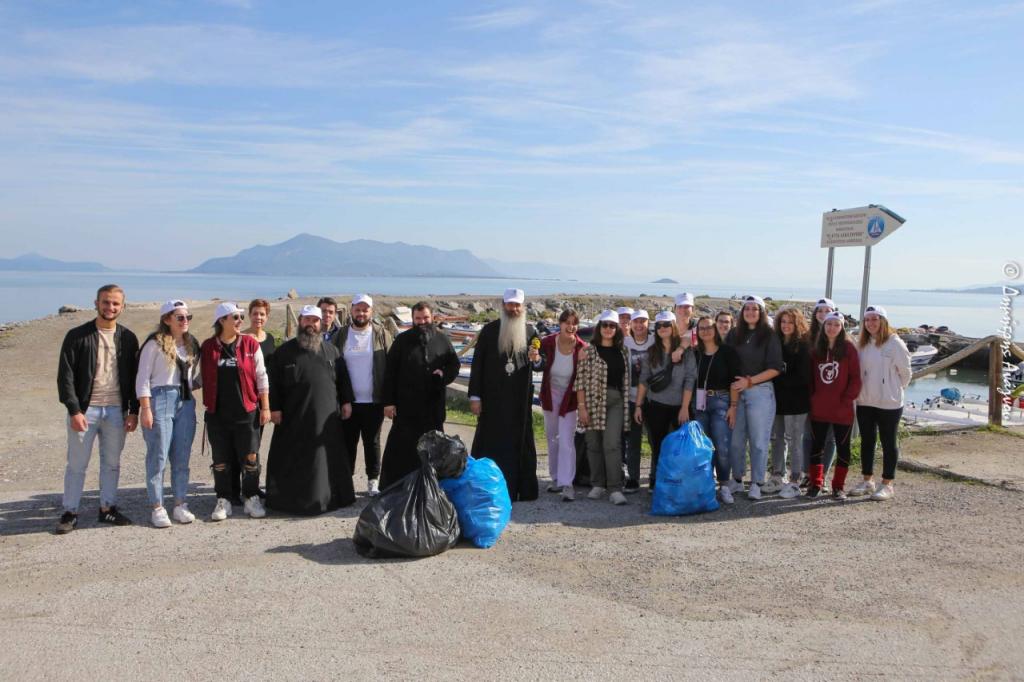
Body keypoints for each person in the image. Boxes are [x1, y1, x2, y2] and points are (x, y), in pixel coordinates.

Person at [55, 284, 140, 533]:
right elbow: (65, 376)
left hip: (116, 410)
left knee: (111, 463)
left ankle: (107, 509)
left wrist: (133, 410)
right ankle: (70, 512)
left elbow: (135, 378)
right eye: (105, 302)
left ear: (122, 307)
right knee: (76, 465)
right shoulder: (77, 336)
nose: (110, 307)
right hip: (85, 411)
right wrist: (74, 410)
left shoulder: (128, 338)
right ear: (96, 303)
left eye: (115, 303)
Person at [266, 305, 356, 515]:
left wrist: (346, 402)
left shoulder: (332, 351)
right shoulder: (284, 352)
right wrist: (275, 408)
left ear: (320, 324)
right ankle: (287, 500)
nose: (311, 325)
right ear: (300, 322)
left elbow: (342, 380)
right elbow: (273, 383)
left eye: (315, 321)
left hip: (326, 417)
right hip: (293, 417)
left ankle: (330, 498)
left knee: (325, 458)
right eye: (307, 320)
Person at [468, 288, 545, 502]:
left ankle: (520, 489)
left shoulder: (530, 332)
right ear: (503, 306)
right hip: (492, 401)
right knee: (491, 444)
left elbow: (541, 364)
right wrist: (475, 396)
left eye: (517, 305)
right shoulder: (489, 331)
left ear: (523, 307)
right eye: (510, 305)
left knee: (519, 444)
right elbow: (478, 365)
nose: (514, 309)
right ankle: (488, 488)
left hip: (519, 402)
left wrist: (537, 359)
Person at [200, 302, 270, 521]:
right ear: (222, 321)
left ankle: (251, 497)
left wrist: (265, 406)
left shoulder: (250, 344)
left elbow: (262, 376)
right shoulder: (209, 346)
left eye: (241, 317)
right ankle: (224, 499)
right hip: (217, 413)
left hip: (247, 411)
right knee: (221, 459)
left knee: (250, 457)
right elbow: (196, 375)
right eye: (236, 317)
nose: (241, 321)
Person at [380, 301, 459, 487]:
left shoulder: (442, 340)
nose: (422, 322)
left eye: (425, 318)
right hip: (406, 406)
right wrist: (388, 402)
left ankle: (431, 486)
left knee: (434, 447)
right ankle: (396, 485)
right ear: (413, 320)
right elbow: (390, 372)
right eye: (418, 319)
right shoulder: (402, 341)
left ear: (432, 318)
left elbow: (453, 364)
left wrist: (444, 374)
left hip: (433, 406)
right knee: (402, 448)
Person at [136, 300, 201, 528]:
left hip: (185, 400)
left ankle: (180, 503)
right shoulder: (153, 345)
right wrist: (145, 409)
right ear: (167, 320)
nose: (185, 321)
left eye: (187, 317)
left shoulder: (192, 344)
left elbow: (194, 376)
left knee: (181, 455)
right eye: (180, 317)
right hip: (160, 399)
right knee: (159, 455)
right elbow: (142, 379)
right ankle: (157, 506)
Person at [333, 294, 393, 496]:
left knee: (373, 442)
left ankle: (372, 480)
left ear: (371, 312)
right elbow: (332, 366)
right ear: (351, 311)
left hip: (374, 401)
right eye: (357, 309)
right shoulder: (341, 335)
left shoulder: (381, 334)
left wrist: (389, 400)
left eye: (365, 309)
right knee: (347, 442)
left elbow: (392, 367)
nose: (361, 313)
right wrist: (341, 398)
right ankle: (345, 480)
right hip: (348, 401)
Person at [850, 305, 912, 501]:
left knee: (888, 442)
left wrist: (893, 389)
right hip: (866, 400)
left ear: (883, 321)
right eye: (867, 320)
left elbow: (906, 373)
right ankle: (868, 480)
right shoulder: (863, 344)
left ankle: (887, 483)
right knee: (867, 441)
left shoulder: (895, 344)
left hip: (889, 402)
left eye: (875, 319)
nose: (870, 324)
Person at [725, 295, 783, 500]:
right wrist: (733, 401)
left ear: (761, 312)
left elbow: (775, 368)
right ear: (742, 312)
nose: (750, 312)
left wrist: (750, 382)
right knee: (736, 440)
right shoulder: (733, 335)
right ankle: (738, 480)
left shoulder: (769, 335)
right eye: (747, 308)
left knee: (758, 441)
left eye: (754, 309)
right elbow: (728, 366)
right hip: (736, 392)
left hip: (760, 391)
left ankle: (757, 482)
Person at [682, 315, 741, 503]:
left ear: (715, 330)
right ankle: (705, 486)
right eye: (701, 328)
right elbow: (689, 380)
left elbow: (734, 381)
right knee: (702, 448)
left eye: (709, 327)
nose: (705, 331)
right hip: (699, 404)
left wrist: (733, 407)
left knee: (722, 446)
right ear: (697, 332)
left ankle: (724, 485)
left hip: (722, 401)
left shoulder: (727, 352)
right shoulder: (694, 353)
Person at [576, 310, 631, 505]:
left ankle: (615, 487)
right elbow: (580, 381)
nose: (608, 329)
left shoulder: (623, 351)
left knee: (612, 443)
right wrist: (581, 407)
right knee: (593, 444)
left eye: (612, 326)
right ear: (599, 328)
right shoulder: (588, 351)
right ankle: (597, 484)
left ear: (617, 329)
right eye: (605, 325)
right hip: (591, 401)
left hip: (616, 399)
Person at [635, 312, 694, 491]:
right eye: (658, 326)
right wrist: (638, 405)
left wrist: (685, 407)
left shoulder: (686, 351)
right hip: (655, 406)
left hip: (678, 407)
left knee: (678, 448)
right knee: (658, 446)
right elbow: (644, 380)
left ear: (673, 326)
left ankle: (676, 482)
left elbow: (690, 379)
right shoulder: (651, 353)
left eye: (666, 325)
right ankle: (656, 480)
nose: (662, 328)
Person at [807, 312, 862, 499]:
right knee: (817, 446)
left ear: (841, 328)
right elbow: (811, 379)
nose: (832, 328)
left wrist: (847, 399)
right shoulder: (817, 349)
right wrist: (812, 398)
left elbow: (856, 378)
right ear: (824, 326)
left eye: (836, 325)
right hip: (819, 408)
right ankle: (815, 484)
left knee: (843, 448)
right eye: (829, 324)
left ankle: (838, 486)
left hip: (842, 410)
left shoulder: (848, 349)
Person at [538, 309, 586, 501]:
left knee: (566, 440)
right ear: (560, 324)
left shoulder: (582, 347)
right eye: (566, 322)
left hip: (571, 398)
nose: (570, 326)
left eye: (574, 323)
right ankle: (556, 478)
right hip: (551, 395)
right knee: (552, 438)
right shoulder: (548, 342)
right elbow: (536, 360)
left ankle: (567, 484)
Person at [770, 307, 812, 499]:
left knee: (795, 440)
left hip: (797, 401)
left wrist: (778, 375)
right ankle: (777, 475)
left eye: (790, 322)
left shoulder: (803, 345)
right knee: (777, 438)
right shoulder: (776, 342)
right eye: (783, 322)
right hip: (777, 400)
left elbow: (803, 377)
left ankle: (795, 480)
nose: (786, 325)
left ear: (797, 324)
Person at [238, 297, 274, 501]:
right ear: (248, 316)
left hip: (263, 398)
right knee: (241, 442)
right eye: (255, 313)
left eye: (262, 314)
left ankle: (251, 485)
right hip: (244, 397)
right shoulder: (241, 337)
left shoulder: (269, 339)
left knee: (255, 442)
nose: (258, 317)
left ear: (267, 317)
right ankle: (237, 484)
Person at [804, 297, 838, 486]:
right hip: (811, 395)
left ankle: (822, 474)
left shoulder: (842, 339)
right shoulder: (807, 337)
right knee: (809, 436)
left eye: (828, 310)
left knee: (830, 437)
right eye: (820, 311)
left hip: (833, 398)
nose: (823, 314)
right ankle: (809, 473)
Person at [622, 308, 654, 492]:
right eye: (636, 321)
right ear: (631, 324)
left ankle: (654, 478)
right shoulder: (625, 343)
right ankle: (633, 478)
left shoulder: (654, 340)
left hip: (651, 399)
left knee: (653, 440)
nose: (639, 325)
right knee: (633, 441)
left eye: (643, 321)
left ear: (648, 323)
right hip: (631, 398)